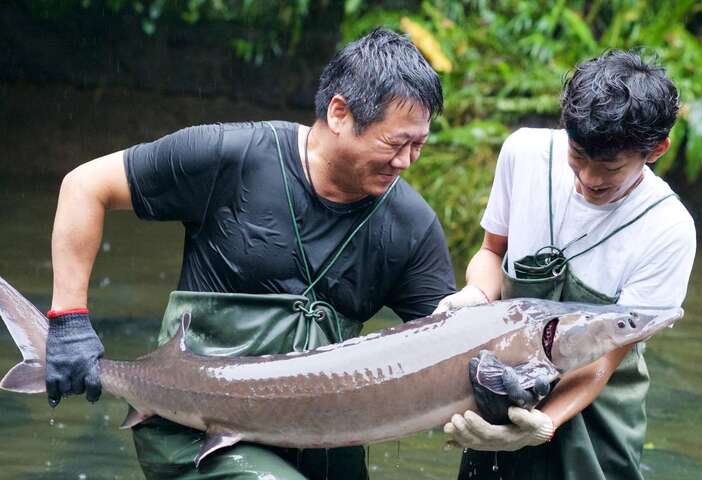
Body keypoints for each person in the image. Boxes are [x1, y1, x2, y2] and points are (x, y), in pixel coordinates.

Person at [45, 28, 455, 479]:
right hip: (195, 429)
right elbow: (85, 186)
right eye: (394, 143)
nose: (406, 162)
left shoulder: (410, 226)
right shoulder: (230, 156)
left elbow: (448, 341)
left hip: (321, 438)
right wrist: (69, 321)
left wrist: (487, 380)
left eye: (418, 145)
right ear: (340, 113)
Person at [436, 50, 697, 479]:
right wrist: (475, 296)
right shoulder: (524, 153)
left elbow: (608, 356)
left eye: (610, 167)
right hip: (502, 394)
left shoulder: (668, 228)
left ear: (657, 150)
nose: (590, 178)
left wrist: (543, 424)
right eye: (578, 156)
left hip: (596, 418)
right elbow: (491, 252)